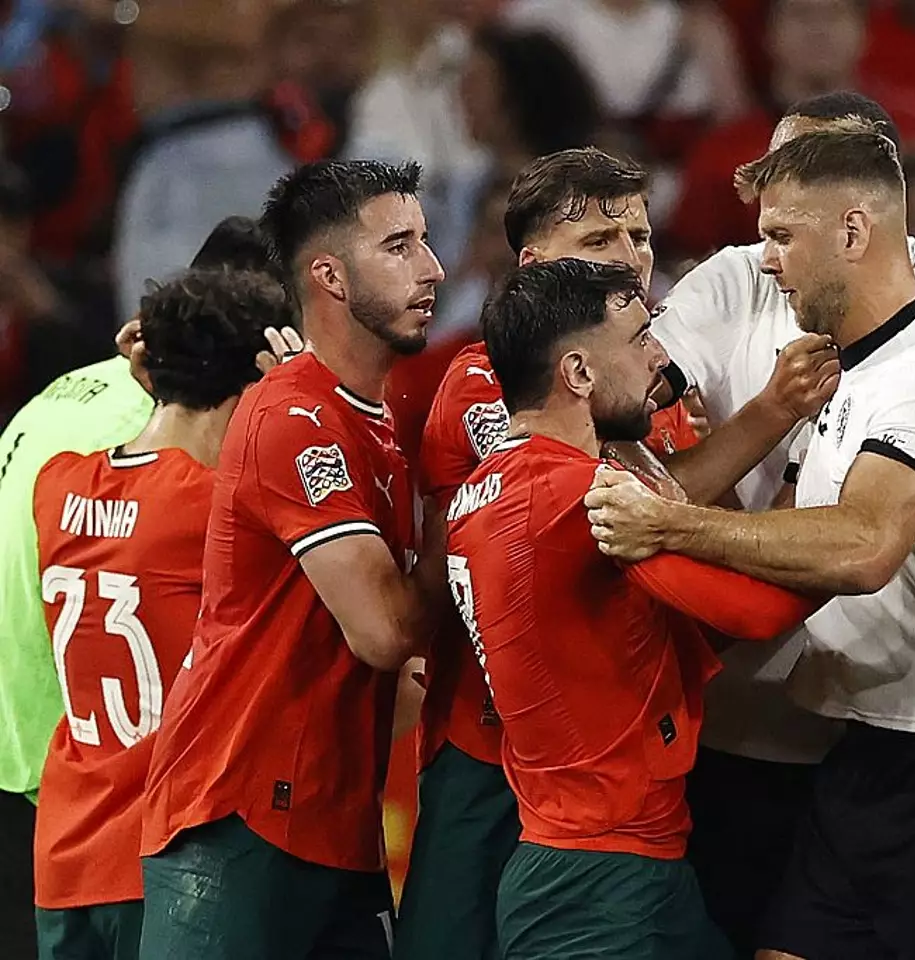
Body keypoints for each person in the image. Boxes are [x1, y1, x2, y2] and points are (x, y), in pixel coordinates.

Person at [586, 129, 915, 960]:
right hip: (868, 747)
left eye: (781, 236)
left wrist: (670, 525)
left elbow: (864, 546)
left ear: (852, 231)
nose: (767, 263)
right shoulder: (852, 370)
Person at [399, 144, 839, 960]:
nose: (631, 259)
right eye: (600, 242)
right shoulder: (500, 395)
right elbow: (655, 524)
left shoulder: (631, 399)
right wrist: (840, 526)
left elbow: (668, 527)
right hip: (503, 764)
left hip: (618, 796)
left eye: (638, 236)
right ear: (536, 269)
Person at [138, 159, 447, 959]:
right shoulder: (294, 415)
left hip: (333, 823)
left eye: (424, 241)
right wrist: (466, 496)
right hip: (239, 821)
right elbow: (384, 631)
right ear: (330, 276)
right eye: (399, 246)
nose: (432, 268)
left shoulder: (371, 423)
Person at [0, 215, 293, 957]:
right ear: (250, 388)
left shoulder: (58, 483)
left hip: (64, 848)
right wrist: (299, 399)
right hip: (161, 857)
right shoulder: (218, 511)